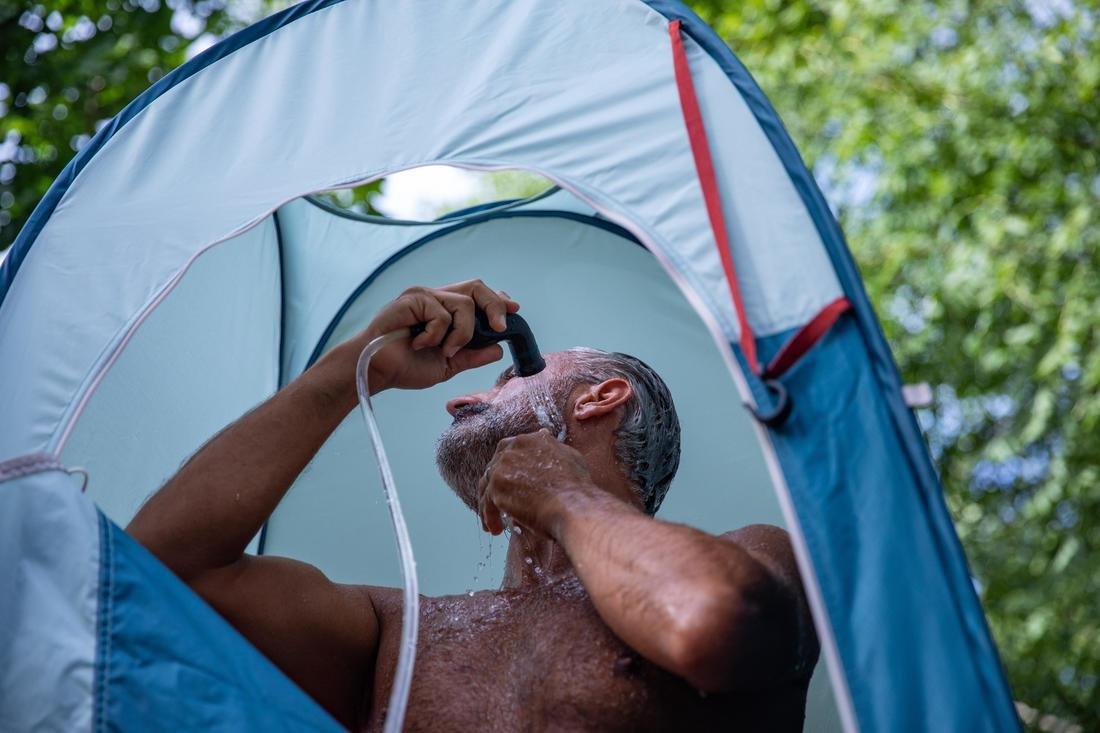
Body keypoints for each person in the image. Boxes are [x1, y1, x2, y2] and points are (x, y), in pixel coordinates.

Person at [127, 279, 819, 731]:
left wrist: (565, 496)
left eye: (498, 380)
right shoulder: (397, 631)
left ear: (599, 397)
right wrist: (353, 368)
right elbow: (155, 580)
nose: (460, 397)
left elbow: (714, 623)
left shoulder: (754, 555)